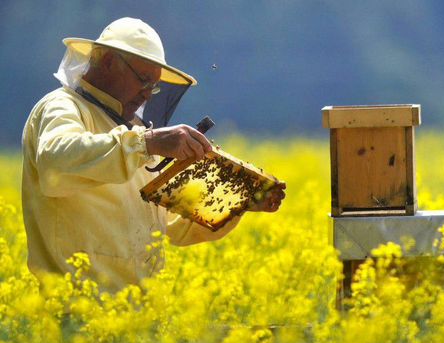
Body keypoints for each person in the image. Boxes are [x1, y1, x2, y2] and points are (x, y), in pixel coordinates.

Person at [22, 17, 285, 292]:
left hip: (138, 316)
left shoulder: (130, 133)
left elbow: (165, 225)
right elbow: (55, 164)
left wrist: (238, 201)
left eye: (154, 87)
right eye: (144, 81)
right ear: (109, 61)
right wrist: (146, 143)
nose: (147, 95)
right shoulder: (62, 106)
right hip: (75, 314)